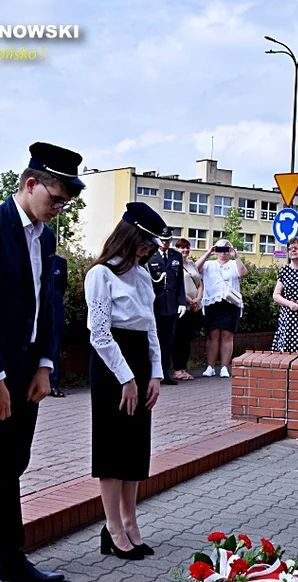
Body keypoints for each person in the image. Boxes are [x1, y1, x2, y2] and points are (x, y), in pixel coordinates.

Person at [0, 142, 85, 582]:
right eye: (56, 199)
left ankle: (13, 558)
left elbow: (50, 307)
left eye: (66, 202)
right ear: (30, 184)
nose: (60, 209)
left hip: (29, 373)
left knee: (12, 466)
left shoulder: (45, 237)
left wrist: (45, 366)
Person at [85, 202, 165, 560]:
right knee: (112, 446)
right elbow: (99, 334)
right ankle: (112, 526)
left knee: (135, 446)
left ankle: (131, 522)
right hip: (111, 366)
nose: (149, 250)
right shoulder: (100, 275)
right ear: (129, 237)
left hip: (138, 364)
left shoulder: (143, 276)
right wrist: (127, 378)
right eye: (145, 243)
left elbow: (150, 327)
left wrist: (156, 373)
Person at [195, 240, 247, 378]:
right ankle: (210, 366)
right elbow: (194, 270)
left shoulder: (233, 264)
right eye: (220, 249)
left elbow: (242, 273)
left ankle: (224, 366)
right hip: (212, 302)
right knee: (213, 335)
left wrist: (235, 256)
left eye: (226, 250)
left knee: (227, 335)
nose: (223, 253)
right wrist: (208, 253)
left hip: (231, 303)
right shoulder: (209, 264)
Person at [147, 236, 185, 385]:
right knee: (153, 341)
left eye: (168, 240)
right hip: (155, 305)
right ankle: (152, 373)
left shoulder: (176, 256)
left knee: (167, 342)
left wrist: (182, 301)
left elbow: (180, 280)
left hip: (170, 306)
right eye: (162, 240)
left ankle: (164, 373)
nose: (165, 243)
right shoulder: (150, 255)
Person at [171, 238, 203, 381]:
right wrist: (188, 300)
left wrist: (197, 299)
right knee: (178, 338)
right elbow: (174, 286)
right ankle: (177, 369)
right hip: (181, 307)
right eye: (182, 248)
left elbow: (199, 283)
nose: (185, 250)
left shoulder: (191, 264)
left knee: (187, 339)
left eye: (187, 247)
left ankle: (184, 368)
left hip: (194, 308)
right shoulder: (174, 265)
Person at [48, 254, 68, 398]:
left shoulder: (60, 262)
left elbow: (63, 285)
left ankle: (52, 384)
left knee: (54, 346)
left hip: (55, 306)